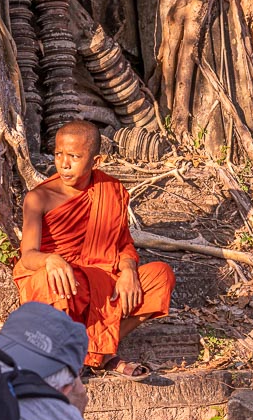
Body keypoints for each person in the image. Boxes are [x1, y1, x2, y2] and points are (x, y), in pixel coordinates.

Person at [13, 120, 175, 380]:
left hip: (103, 279)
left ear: (96, 161)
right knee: (49, 281)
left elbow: (122, 242)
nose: (64, 163)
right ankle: (100, 357)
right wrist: (51, 260)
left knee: (160, 276)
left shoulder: (111, 190)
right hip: (65, 282)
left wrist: (129, 270)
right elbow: (28, 256)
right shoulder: (39, 198)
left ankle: (90, 352)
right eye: (58, 154)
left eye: (74, 157)